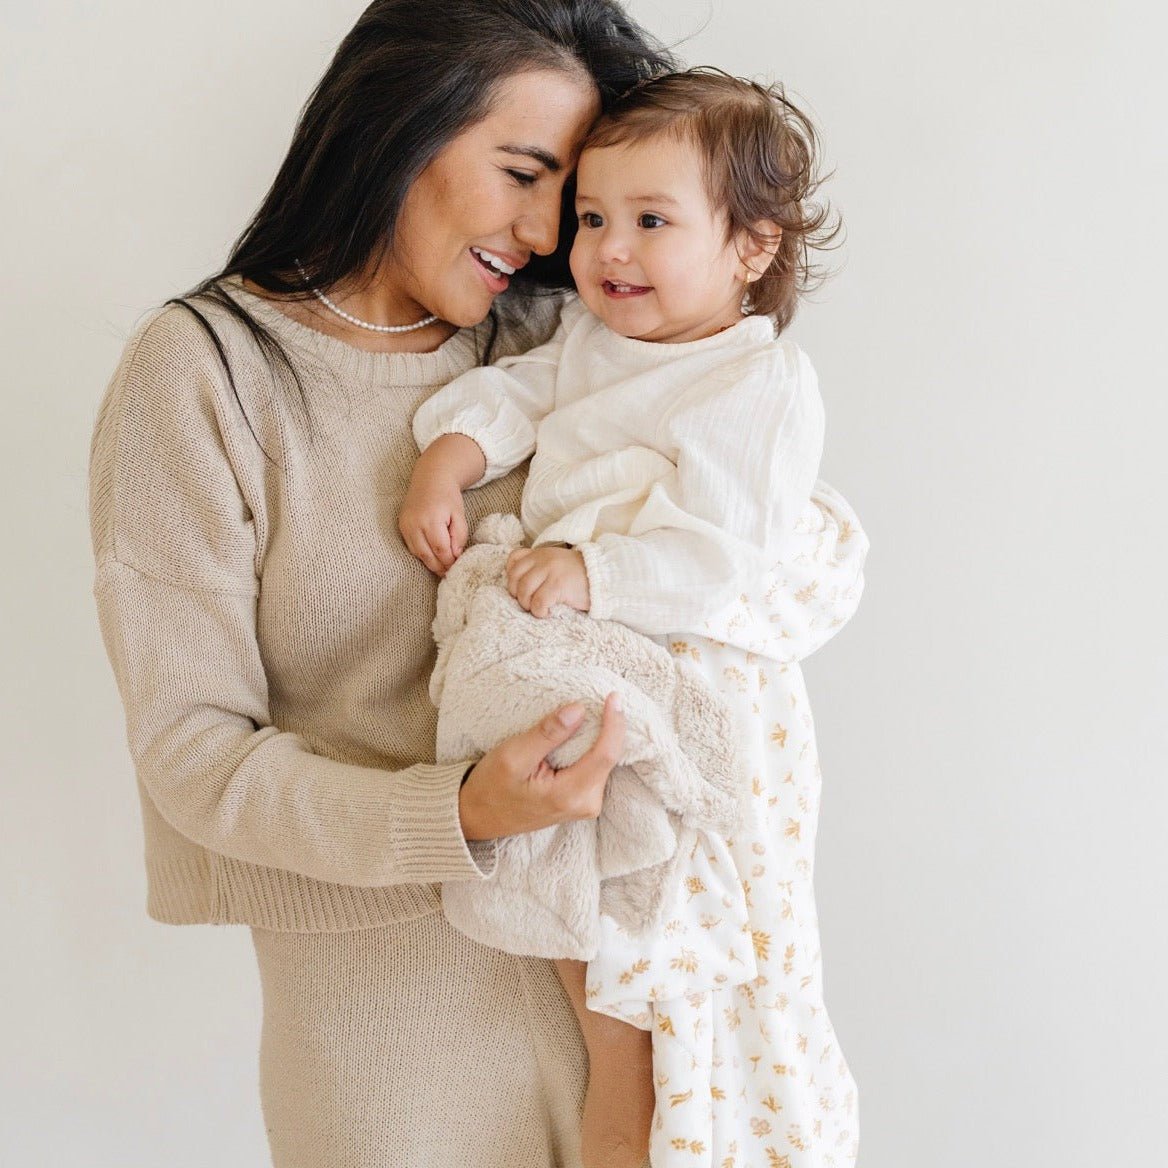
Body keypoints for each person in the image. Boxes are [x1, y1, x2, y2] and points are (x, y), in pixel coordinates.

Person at [88, 1, 861, 1162]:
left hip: (646, 1013)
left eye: (579, 195)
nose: (556, 230)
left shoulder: (563, 335)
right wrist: (459, 815)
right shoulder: (206, 375)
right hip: (391, 1037)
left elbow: (797, 551)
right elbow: (194, 757)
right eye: (527, 174)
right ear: (400, 127)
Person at [402, 70, 862, 1168]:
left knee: (684, 978)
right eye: (595, 218)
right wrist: (446, 460)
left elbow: (724, 554)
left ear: (750, 247)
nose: (609, 248)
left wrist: (596, 571)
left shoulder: (756, 382)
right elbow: (512, 399)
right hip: (590, 658)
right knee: (601, 976)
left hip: (700, 675)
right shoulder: (584, 341)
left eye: (651, 221)